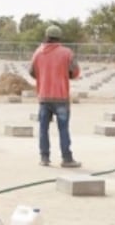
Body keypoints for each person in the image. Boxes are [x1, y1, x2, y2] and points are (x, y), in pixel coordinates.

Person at [29, 25, 81, 167]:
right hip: (61, 97)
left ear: (46, 36)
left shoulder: (38, 52)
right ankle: (67, 158)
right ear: (59, 37)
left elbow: (32, 72)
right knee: (63, 129)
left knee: (43, 129)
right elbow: (75, 72)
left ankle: (44, 158)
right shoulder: (67, 53)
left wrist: (44, 75)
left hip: (44, 97)